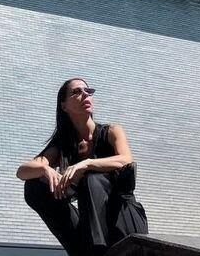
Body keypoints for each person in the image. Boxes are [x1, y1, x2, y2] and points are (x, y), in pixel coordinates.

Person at [16, 78, 149, 256]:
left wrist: (87, 164)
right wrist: (45, 169)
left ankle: (95, 250)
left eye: (88, 91)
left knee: (91, 180)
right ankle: (87, 250)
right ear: (64, 106)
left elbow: (126, 160)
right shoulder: (63, 144)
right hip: (89, 230)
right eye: (77, 92)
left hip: (123, 219)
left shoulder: (111, 132)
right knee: (34, 187)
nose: (85, 95)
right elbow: (22, 172)